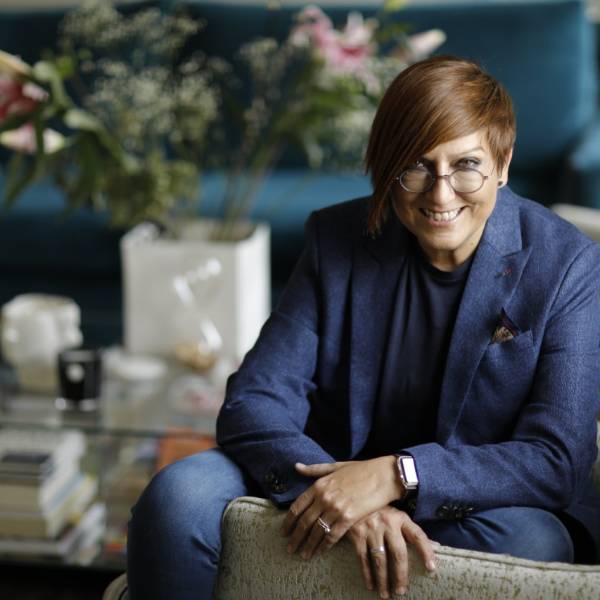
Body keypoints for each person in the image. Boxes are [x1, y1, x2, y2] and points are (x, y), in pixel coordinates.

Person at [127, 56, 600, 600]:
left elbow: (556, 459)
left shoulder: (569, 266)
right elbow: (252, 401)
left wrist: (395, 477)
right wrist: (344, 495)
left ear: (503, 163)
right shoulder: (337, 238)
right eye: (416, 167)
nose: (440, 194)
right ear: (387, 168)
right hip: (325, 468)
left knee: (532, 542)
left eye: (466, 165)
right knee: (177, 498)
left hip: (470, 502)